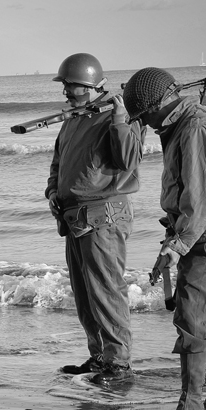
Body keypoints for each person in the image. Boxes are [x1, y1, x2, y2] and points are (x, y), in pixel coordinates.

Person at [123, 67, 206, 410]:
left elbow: (203, 197)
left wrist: (177, 246)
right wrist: (177, 239)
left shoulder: (196, 130)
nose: (143, 123)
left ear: (159, 104)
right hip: (200, 234)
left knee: (193, 320)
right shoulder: (180, 126)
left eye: (144, 115)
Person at [46, 53, 146, 385]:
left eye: (70, 85)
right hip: (74, 217)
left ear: (88, 84)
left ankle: (118, 364)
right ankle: (100, 357)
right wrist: (51, 193)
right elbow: (58, 163)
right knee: (85, 293)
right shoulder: (73, 118)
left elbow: (129, 159)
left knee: (105, 290)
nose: (65, 91)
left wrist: (120, 117)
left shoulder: (115, 116)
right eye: (64, 85)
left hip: (104, 215)